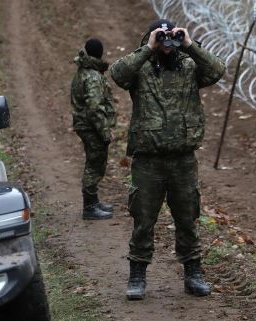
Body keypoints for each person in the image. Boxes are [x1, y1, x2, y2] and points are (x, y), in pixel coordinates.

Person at [110, 19, 226, 299]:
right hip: (148, 160)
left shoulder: (188, 66)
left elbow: (217, 71)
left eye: (170, 38)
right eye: (161, 38)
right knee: (143, 219)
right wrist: (148, 47)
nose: (166, 44)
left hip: (183, 159)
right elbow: (118, 74)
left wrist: (189, 44)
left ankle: (193, 273)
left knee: (187, 218)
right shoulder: (141, 68)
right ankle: (137, 275)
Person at [71, 38, 116, 220]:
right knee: (94, 165)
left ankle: (94, 201)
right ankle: (89, 207)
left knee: (94, 163)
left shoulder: (83, 72)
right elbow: (95, 108)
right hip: (92, 127)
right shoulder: (93, 76)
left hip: (86, 125)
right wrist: (104, 132)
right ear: (99, 53)